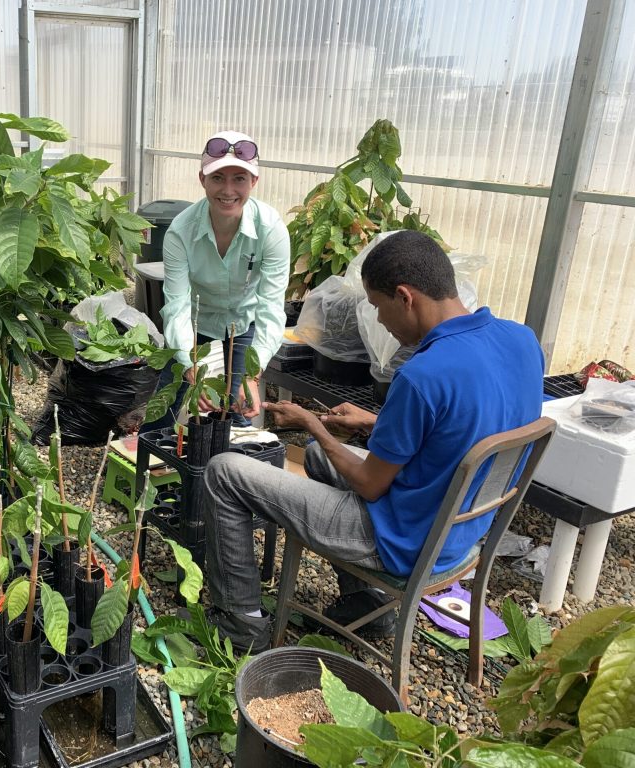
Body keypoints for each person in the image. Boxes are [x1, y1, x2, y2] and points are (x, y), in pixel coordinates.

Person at [199, 230, 545, 654]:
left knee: (224, 472)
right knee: (316, 459)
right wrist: (375, 422)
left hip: (403, 543)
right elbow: (462, 423)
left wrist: (315, 425)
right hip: (463, 529)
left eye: (378, 307)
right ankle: (370, 603)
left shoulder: (422, 376)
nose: (379, 321)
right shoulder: (521, 340)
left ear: (405, 297)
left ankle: (241, 623)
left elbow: (369, 485)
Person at [141, 131, 290, 432]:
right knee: (165, 406)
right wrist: (188, 363)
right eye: (218, 178)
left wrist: (252, 373)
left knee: (239, 408)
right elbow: (177, 306)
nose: (228, 190)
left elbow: (271, 307)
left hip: (243, 321)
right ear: (202, 180)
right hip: (196, 322)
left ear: (254, 183)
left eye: (240, 179)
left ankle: (232, 473)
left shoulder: (271, 230)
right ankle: (146, 467)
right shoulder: (180, 233)